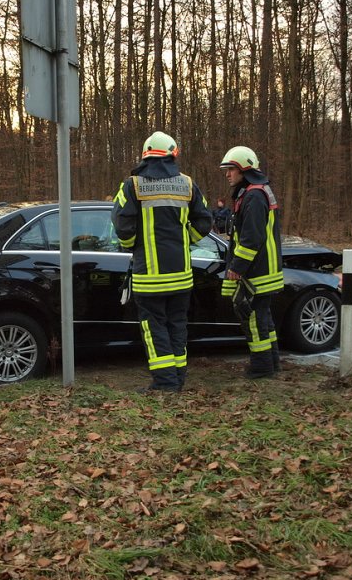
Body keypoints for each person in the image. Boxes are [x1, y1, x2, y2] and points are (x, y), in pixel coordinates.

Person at [112, 131, 212, 392]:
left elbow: (122, 226)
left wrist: (133, 246)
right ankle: (177, 379)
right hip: (181, 276)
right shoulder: (188, 184)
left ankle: (165, 383)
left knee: (154, 328)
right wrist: (185, 240)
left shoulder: (132, 185)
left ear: (145, 155)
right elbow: (205, 221)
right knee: (177, 326)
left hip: (150, 277)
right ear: (172, 155)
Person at [219, 145, 283, 378]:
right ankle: (272, 363)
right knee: (264, 319)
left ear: (244, 170)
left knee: (254, 320)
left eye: (231, 170)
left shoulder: (254, 196)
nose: (227, 174)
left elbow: (251, 239)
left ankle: (261, 367)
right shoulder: (257, 191)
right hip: (264, 269)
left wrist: (237, 268)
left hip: (257, 272)